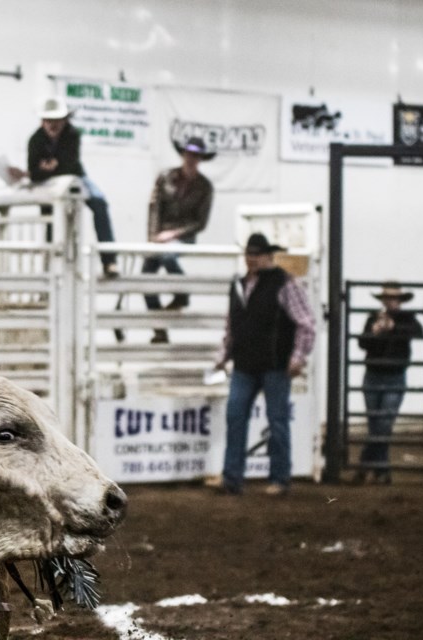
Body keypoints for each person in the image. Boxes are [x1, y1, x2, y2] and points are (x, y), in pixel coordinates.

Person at [213, 233, 316, 496]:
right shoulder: (239, 284)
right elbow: (232, 325)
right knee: (238, 417)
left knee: (275, 420)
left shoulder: (284, 283)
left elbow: (306, 323)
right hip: (246, 364)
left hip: (274, 365)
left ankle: (279, 479)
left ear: (268, 256)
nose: (252, 259)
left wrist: (297, 358)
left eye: (256, 254)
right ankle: (232, 478)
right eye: (250, 254)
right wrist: (223, 355)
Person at [10, 97, 120, 277]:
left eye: (56, 121)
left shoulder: (72, 134)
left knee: (100, 203)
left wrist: (44, 169)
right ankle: (50, 268)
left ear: (64, 120)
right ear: (42, 121)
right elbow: (36, 170)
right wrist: (47, 169)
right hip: (49, 183)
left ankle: (109, 261)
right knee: (49, 218)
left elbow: (68, 166)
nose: (52, 125)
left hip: (74, 178)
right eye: (48, 121)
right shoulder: (36, 139)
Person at [142, 136, 215, 344]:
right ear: (183, 154)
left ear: (201, 159)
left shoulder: (205, 187)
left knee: (167, 257)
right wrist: (152, 237)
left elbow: (200, 223)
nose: (191, 158)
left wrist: (173, 234)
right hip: (159, 236)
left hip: (183, 237)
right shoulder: (165, 177)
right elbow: (154, 208)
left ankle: (182, 293)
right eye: (189, 154)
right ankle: (159, 328)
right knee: (145, 277)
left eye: (196, 155)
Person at [353, 282, 423, 485]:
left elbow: (418, 331)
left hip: (390, 375)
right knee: (379, 423)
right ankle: (380, 470)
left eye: (395, 298)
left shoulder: (407, 318)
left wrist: (393, 327)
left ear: (400, 301)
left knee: (381, 423)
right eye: (388, 297)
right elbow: (362, 342)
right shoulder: (373, 318)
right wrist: (374, 331)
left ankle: (366, 467)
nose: (391, 301)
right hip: (377, 375)